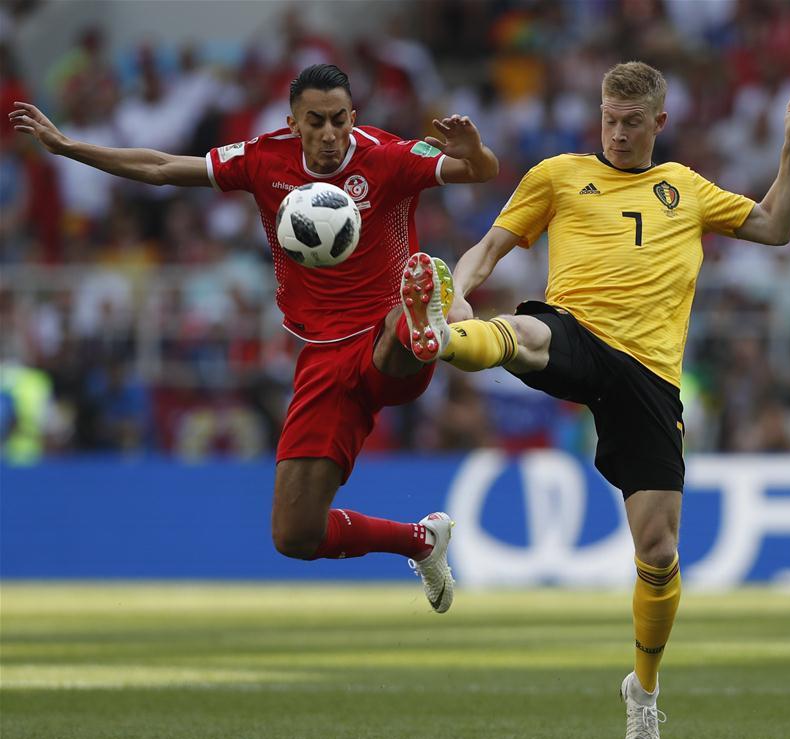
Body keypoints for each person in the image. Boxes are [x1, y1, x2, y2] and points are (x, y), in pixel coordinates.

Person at [402, 61, 790, 739]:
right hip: (576, 329)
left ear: (658, 123)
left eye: (631, 123)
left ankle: (643, 694)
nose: (617, 133)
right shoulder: (558, 175)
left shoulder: (684, 188)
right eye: (608, 119)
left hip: (650, 376)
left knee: (657, 551)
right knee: (525, 338)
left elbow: (775, 226)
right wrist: (457, 291)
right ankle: (441, 335)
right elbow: (489, 246)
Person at [10, 63, 499, 613]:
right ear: (293, 122)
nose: (329, 133)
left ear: (353, 117)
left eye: (339, 119)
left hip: (386, 342)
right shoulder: (264, 159)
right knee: (295, 536)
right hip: (320, 357)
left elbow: (479, 171)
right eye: (315, 121)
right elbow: (164, 166)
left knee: (395, 326)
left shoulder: (386, 156)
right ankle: (421, 541)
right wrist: (69, 146)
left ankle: (419, 314)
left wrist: (474, 149)